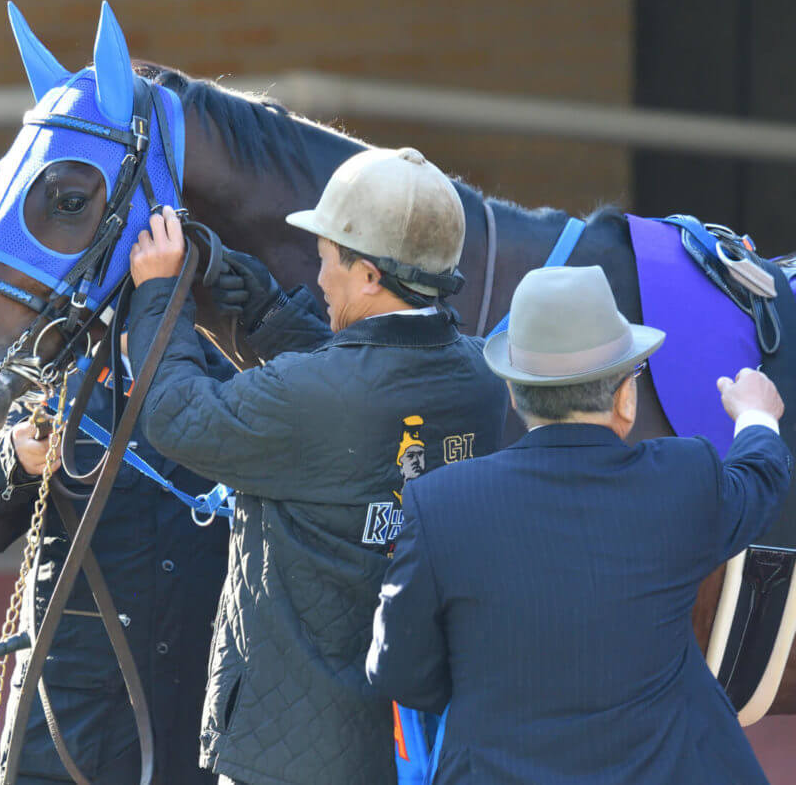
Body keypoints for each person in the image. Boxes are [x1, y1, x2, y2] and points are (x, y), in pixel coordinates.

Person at [125, 147, 508, 785]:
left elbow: (175, 416)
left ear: (368, 278)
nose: (320, 276)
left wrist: (160, 298)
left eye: (328, 258)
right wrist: (271, 316)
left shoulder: (316, 395)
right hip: (419, 745)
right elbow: (372, 382)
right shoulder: (481, 377)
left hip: (294, 754)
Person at [366, 265, 792, 785]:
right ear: (624, 396)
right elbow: (760, 483)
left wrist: (484, 680)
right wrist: (756, 415)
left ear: (516, 394)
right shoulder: (683, 479)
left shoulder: (438, 504)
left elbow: (398, 670)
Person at [0, 332, 233, 785]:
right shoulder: (52, 383)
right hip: (72, 715)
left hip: (201, 712)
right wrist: (12, 459)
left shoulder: (238, 379)